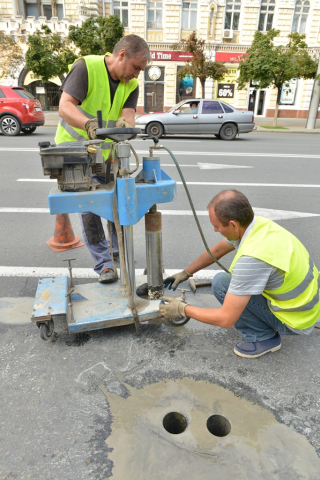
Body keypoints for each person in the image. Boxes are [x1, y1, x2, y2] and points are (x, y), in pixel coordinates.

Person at [160, 190, 320, 358]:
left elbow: (226, 319)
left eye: (217, 226)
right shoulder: (258, 225)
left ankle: (263, 337)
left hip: (296, 320)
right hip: (309, 305)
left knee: (221, 284)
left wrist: (182, 309)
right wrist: (186, 272)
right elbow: (217, 250)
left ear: (233, 224)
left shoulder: (252, 259)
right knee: (227, 283)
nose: (215, 230)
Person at [55, 35, 151, 283]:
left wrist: (126, 126)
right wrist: (88, 125)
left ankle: (117, 251)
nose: (137, 75)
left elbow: (128, 116)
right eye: (136, 68)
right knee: (90, 207)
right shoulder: (86, 67)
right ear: (121, 55)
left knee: (114, 201)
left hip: (105, 154)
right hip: (74, 150)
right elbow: (65, 106)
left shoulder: (130, 85)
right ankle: (104, 264)